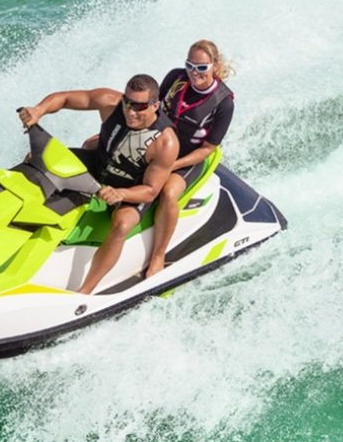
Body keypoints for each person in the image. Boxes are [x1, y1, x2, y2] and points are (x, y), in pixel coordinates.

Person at [18, 74, 179, 294]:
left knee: (122, 224)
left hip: (130, 188)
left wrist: (120, 194)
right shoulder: (110, 102)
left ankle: (85, 291)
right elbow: (65, 98)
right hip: (98, 165)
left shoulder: (165, 143)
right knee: (38, 159)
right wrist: (39, 110)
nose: (130, 111)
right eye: (127, 102)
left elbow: (150, 191)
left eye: (139, 106)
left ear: (155, 105)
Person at [145, 39, 235, 277]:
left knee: (168, 193)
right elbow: (152, 109)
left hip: (187, 158)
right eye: (190, 65)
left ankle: (158, 256)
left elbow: (208, 148)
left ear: (215, 66)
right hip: (158, 144)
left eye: (201, 67)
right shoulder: (175, 78)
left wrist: (172, 165)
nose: (194, 72)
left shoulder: (224, 103)